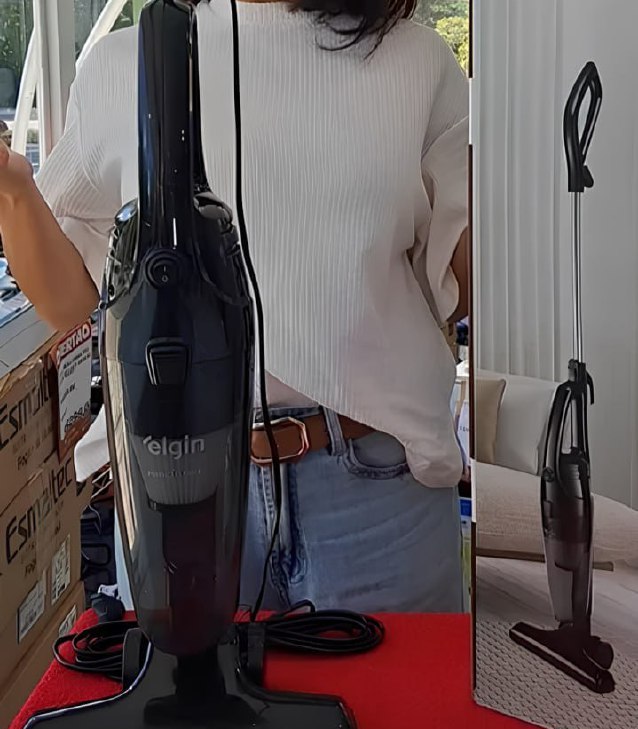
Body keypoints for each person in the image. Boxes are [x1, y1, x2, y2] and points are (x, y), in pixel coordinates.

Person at [0, 0, 469, 614]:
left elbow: (461, 284)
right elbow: (69, 303)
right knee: (188, 682)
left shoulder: (417, 63)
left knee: (400, 684)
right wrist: (13, 187)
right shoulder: (128, 64)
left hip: (375, 494)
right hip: (176, 487)